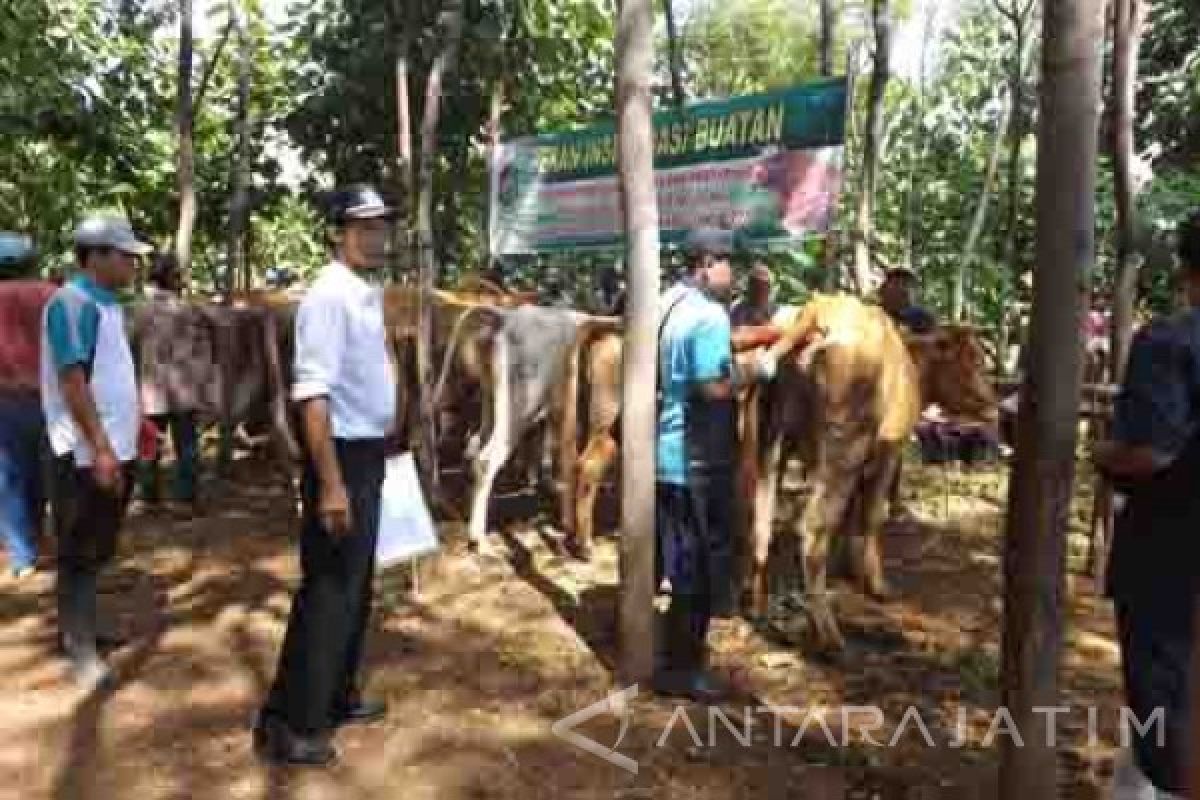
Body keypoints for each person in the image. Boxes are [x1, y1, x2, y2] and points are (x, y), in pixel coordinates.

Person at [255, 185, 397, 766]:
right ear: (338, 232)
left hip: (365, 453)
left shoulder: (363, 293)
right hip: (338, 457)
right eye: (364, 226)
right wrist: (332, 483)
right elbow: (312, 396)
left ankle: (336, 695)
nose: (376, 236)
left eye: (381, 226)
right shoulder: (326, 298)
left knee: (356, 586)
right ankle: (290, 722)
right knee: (328, 590)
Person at [1094, 209, 1200, 799]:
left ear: (1185, 269)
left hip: (1172, 560)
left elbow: (1148, 455)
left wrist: (1102, 455)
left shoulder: (1170, 341)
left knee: (1170, 710)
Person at [655, 228, 776, 702]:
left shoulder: (668, 303)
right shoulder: (707, 317)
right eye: (727, 262)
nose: (734, 273)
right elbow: (712, 387)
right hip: (696, 457)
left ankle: (673, 651)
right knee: (697, 568)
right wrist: (756, 370)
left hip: (665, 450)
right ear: (705, 262)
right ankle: (681, 669)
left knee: (678, 560)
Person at [41, 214, 150, 687]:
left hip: (112, 448)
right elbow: (72, 380)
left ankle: (85, 624)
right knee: (79, 547)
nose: (133, 264)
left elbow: (110, 377)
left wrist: (138, 424)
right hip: (83, 454)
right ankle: (78, 644)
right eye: (126, 255)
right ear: (98, 255)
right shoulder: (72, 303)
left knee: (100, 543)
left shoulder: (108, 306)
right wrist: (102, 448)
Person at [0, 236, 54, 580]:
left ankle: (22, 555)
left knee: (8, 475)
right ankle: (40, 535)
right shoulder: (53, 295)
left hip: (4, 398)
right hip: (53, 397)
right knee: (44, 472)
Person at [135, 254, 199, 504]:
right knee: (186, 447)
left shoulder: (141, 309)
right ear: (172, 279)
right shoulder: (187, 310)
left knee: (150, 445)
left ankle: (149, 495)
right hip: (183, 389)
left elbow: (131, 343)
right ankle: (186, 498)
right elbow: (198, 349)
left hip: (152, 391)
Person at [879, 265, 937, 334]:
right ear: (883, 289)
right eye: (896, 284)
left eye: (906, 285)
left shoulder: (922, 316)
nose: (903, 290)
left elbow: (936, 337)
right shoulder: (871, 316)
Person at [729, 262, 778, 328]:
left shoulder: (776, 311)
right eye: (756, 286)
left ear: (768, 289)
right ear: (749, 287)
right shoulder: (737, 310)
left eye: (763, 287)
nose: (760, 292)